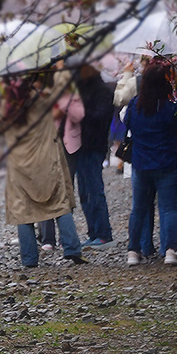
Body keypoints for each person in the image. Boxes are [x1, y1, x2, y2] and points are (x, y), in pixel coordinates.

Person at [0, 65, 84, 268]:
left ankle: (29, 258)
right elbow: (65, 90)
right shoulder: (43, 99)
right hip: (47, 160)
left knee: (23, 211)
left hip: (19, 165)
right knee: (58, 203)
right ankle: (71, 249)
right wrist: (61, 69)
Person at [124, 60, 177, 266]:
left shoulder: (135, 105)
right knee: (169, 208)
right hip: (165, 163)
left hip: (141, 164)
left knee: (139, 209)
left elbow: (126, 122)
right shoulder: (169, 107)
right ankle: (171, 250)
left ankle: (133, 252)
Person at [70, 62, 117, 245]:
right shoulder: (82, 90)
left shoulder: (102, 92)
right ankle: (94, 232)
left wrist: (80, 113)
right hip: (81, 145)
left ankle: (103, 232)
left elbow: (101, 117)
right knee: (84, 192)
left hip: (94, 145)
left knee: (94, 190)